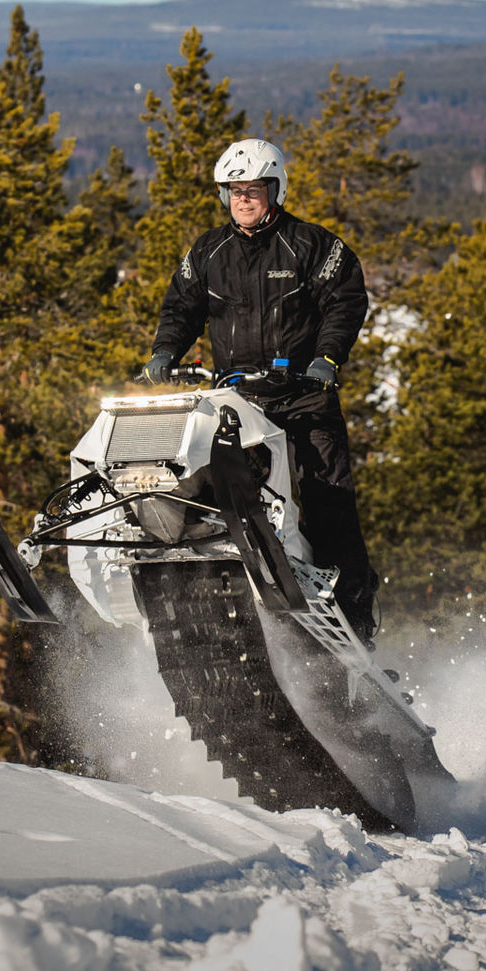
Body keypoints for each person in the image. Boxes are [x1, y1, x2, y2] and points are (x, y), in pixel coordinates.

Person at [142, 138, 380, 642]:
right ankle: (209, 595)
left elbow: (345, 301)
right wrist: (165, 352)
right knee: (203, 484)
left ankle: (355, 617)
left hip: (303, 396)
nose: (243, 199)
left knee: (329, 500)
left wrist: (326, 358)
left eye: (253, 189)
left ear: (276, 190)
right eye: (234, 191)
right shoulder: (209, 251)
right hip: (236, 400)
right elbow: (181, 307)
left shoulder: (311, 244)